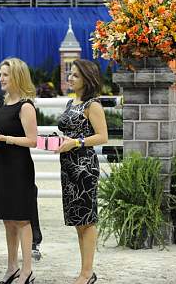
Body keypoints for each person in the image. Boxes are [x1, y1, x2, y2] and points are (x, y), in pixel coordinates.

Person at [0, 58, 37, 284]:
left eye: (5, 75)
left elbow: (32, 141)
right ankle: (12, 267)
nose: (0, 79)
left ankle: (27, 270)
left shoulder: (26, 106)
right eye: (0, 74)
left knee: (22, 219)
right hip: (3, 165)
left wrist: (4, 138)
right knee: (7, 219)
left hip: (19, 168)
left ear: (16, 76)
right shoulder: (3, 102)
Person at [55, 59, 108, 284]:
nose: (70, 78)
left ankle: (87, 273)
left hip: (84, 166)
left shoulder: (92, 105)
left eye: (75, 75)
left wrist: (75, 143)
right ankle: (86, 271)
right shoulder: (71, 103)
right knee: (79, 220)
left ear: (87, 79)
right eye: (70, 74)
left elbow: (103, 136)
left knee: (87, 220)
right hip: (68, 166)